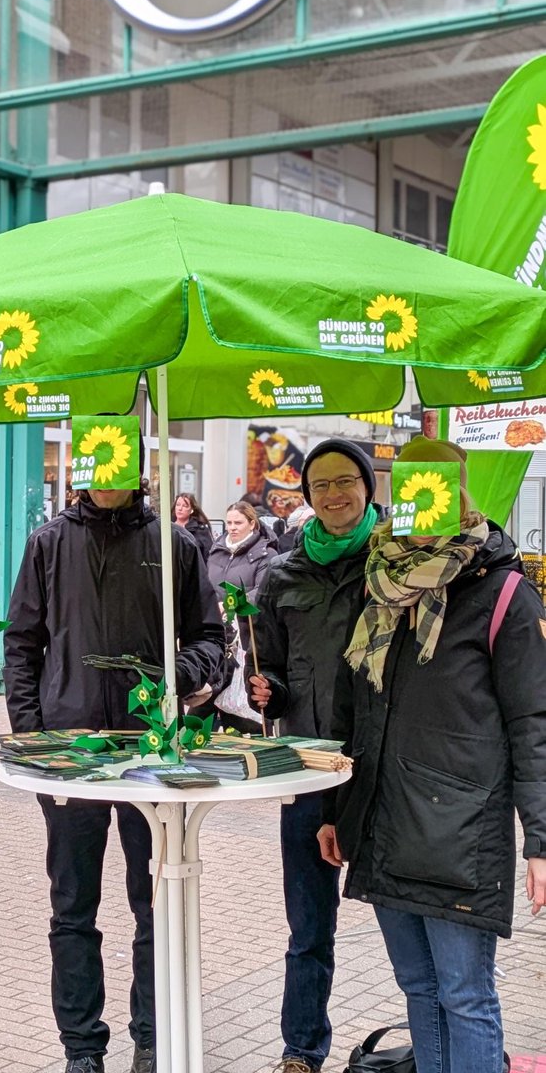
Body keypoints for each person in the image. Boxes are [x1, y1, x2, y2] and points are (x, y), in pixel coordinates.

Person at [318, 437, 546, 1073]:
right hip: (385, 821)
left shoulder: (503, 593)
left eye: (433, 494)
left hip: (461, 835)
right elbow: (354, 709)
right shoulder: (380, 583)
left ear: (458, 494)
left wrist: (540, 842)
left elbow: (534, 723)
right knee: (419, 990)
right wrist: (339, 809)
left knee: (465, 995)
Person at [3, 449, 225, 1073]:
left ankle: (152, 1040)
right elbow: (21, 646)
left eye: (117, 466)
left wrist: (177, 675)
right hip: (68, 754)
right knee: (72, 905)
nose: (106, 481)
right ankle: (82, 1048)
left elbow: (212, 640)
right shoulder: (48, 545)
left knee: (153, 901)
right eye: (94, 466)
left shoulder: (174, 545)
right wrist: (32, 735)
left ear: (137, 466)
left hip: (151, 748)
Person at [246, 438, 382, 1073]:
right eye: (319, 485)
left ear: (368, 485)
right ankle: (302, 1050)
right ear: (306, 497)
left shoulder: (397, 566)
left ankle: (438, 1044)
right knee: (309, 926)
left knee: (408, 922)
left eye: (344, 480)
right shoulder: (281, 574)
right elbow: (267, 662)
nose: (333, 494)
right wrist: (266, 686)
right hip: (306, 763)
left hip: (383, 767)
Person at [207, 500, 279, 733]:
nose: (232, 527)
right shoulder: (215, 550)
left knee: (245, 718)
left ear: (252, 523)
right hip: (217, 638)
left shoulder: (265, 554)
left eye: (238, 522)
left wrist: (233, 604)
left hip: (249, 638)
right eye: (228, 522)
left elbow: (264, 591)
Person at [171, 492, 213, 562]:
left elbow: (208, 555)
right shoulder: (167, 527)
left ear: (192, 510)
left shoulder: (200, 530)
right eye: (178, 505)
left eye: (185, 506)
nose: (180, 508)